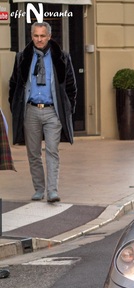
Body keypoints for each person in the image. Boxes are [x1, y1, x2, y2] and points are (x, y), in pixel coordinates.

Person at [9, 21, 76, 203]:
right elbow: (14, 85)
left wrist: (67, 110)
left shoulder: (61, 57)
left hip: (52, 112)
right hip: (30, 111)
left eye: (42, 36)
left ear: (49, 36)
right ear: (32, 36)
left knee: (52, 151)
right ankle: (39, 189)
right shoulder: (22, 57)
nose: (39, 39)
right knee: (33, 153)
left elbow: (71, 87)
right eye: (36, 36)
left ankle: (52, 191)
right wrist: (16, 108)